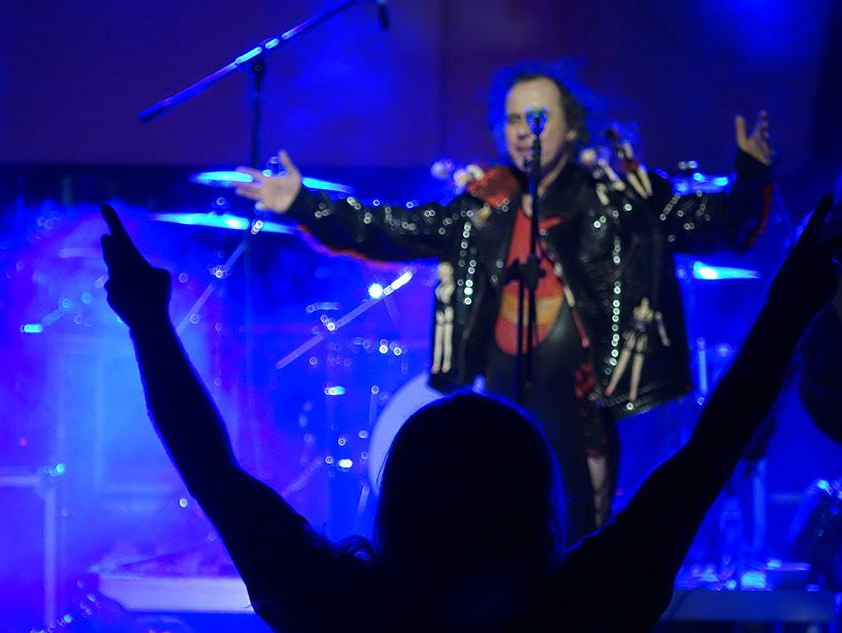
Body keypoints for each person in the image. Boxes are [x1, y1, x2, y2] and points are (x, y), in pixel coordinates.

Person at [101, 194, 839, 633]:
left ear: (396, 499)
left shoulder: (335, 608)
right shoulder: (584, 607)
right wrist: (788, 310)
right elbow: (708, 454)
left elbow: (212, 471)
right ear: (537, 500)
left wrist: (149, 323)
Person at [231, 63, 775, 538]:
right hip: (501, 394)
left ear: (570, 126)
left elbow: (715, 224)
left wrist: (750, 179)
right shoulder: (484, 206)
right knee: (498, 521)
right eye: (513, 119)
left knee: (577, 529)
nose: (523, 131)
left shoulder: (615, 200)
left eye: (537, 118)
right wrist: (305, 204)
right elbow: (392, 227)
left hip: (582, 401)